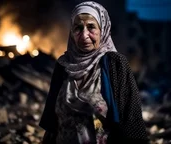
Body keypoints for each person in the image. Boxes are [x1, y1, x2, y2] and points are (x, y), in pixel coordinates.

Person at [39, 1, 148, 144]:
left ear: (102, 29)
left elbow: (132, 118)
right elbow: (51, 122)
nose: (84, 35)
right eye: (78, 28)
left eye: (91, 27)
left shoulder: (115, 64)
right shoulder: (63, 65)